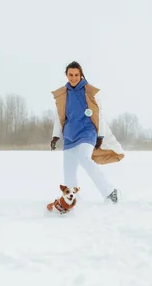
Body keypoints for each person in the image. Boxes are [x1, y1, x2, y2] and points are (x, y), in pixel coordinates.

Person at [50, 61, 123, 204]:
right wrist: (55, 136)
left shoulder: (91, 92)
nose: (73, 78)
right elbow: (59, 116)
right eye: (70, 75)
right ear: (66, 75)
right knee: (68, 170)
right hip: (70, 135)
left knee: (85, 158)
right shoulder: (63, 94)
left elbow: (99, 114)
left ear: (81, 75)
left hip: (87, 131)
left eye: (76, 75)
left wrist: (100, 135)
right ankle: (72, 201)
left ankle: (110, 192)